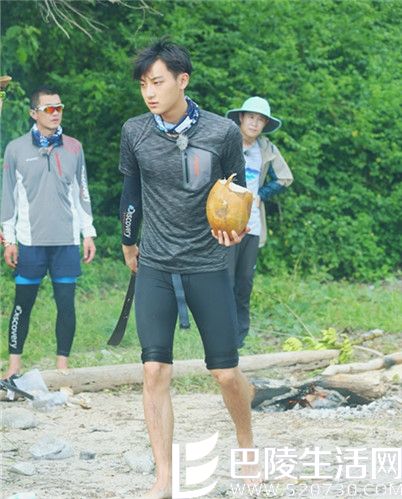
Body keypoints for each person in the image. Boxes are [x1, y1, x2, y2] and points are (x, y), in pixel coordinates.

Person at [119, 39, 256, 499]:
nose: (149, 92)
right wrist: (128, 242)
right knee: (154, 371)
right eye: (143, 84)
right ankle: (164, 476)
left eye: (157, 82)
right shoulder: (135, 131)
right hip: (156, 264)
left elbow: (237, 191)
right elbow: (131, 195)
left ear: (182, 80)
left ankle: (246, 444)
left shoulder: (222, 132)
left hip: (207, 262)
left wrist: (236, 230)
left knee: (226, 373)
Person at [1, 86, 96, 379]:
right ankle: (13, 366)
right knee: (22, 305)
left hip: (66, 242)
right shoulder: (15, 149)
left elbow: (82, 193)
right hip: (30, 243)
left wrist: (88, 233)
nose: (56, 113)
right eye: (49, 109)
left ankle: (62, 368)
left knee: (66, 306)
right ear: (34, 113)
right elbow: (7, 198)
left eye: (59, 108)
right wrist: (9, 240)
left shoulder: (74, 147)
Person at [226, 97, 293, 348]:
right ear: (241, 118)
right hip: (226, 224)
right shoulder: (227, 142)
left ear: (265, 124)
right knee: (225, 280)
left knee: (244, 282)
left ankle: (239, 337)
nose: (255, 123)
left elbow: (285, 177)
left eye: (261, 119)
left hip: (252, 225)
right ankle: (220, 334)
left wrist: (260, 195)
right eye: (251, 117)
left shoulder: (266, 148)